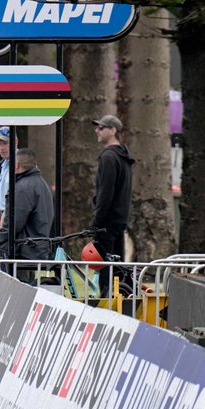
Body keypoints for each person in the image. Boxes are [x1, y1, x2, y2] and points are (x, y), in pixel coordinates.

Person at [90, 114, 135, 297]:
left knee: (105, 272)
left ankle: (106, 305)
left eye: (101, 128)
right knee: (117, 270)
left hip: (107, 224)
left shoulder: (109, 157)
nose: (97, 131)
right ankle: (119, 302)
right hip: (119, 220)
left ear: (113, 131)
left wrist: (96, 223)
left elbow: (105, 194)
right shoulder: (123, 156)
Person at [0, 148, 55, 261]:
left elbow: (14, 222)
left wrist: (2, 239)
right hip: (35, 247)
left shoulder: (22, 188)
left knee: (14, 279)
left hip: (22, 250)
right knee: (26, 279)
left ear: (17, 165)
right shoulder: (41, 183)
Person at [0, 126, 11, 212]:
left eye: (5, 143)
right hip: (2, 216)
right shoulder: (3, 164)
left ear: (16, 142)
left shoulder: (22, 164)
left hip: (10, 216)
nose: (1, 148)